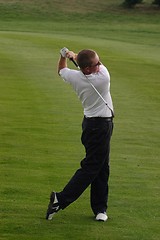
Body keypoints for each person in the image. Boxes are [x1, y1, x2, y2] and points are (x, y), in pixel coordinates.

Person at [46, 48, 114, 222]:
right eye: (96, 63)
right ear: (88, 69)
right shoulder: (103, 78)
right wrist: (74, 56)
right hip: (100, 127)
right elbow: (83, 62)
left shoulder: (76, 77)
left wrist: (63, 56)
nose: (100, 64)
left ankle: (100, 208)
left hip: (90, 125)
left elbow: (61, 70)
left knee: (102, 166)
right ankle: (60, 199)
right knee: (91, 167)